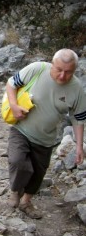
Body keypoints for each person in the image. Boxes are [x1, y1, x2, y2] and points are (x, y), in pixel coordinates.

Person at [5, 48, 86, 219]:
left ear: (74, 70)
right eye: (59, 70)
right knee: (18, 161)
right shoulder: (37, 69)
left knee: (38, 172)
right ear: (52, 63)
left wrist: (79, 146)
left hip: (46, 138)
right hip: (21, 128)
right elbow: (12, 83)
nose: (62, 76)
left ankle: (26, 201)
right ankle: (15, 191)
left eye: (68, 72)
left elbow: (78, 118)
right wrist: (13, 105)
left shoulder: (77, 89)